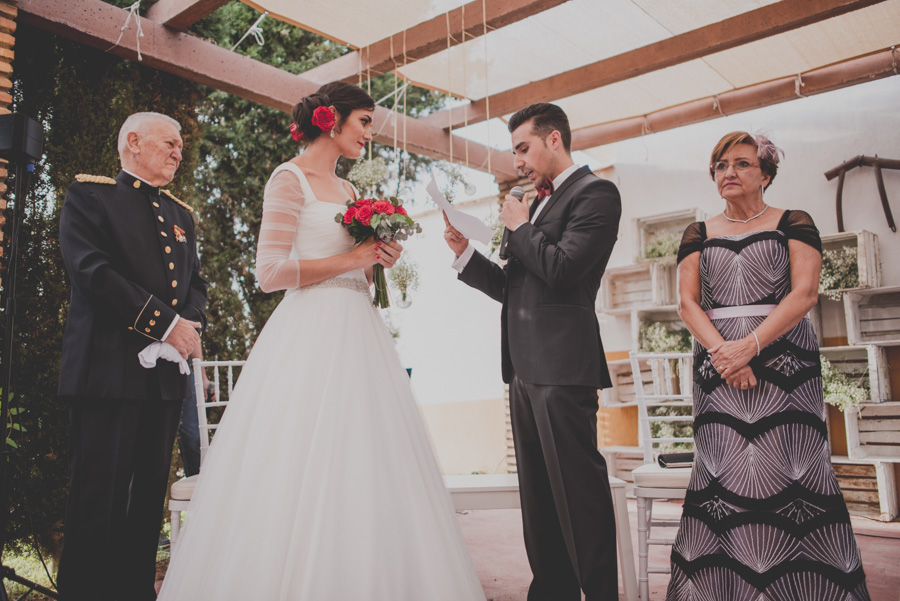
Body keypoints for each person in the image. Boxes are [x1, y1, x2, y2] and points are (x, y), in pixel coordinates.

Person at [158, 81, 486, 600]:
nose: (368, 135)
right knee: (298, 464)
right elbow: (269, 273)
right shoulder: (289, 180)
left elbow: (353, 268)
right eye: (364, 123)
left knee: (370, 461)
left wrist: (378, 259)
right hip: (308, 338)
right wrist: (355, 258)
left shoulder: (354, 193)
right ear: (331, 119)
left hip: (361, 335)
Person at [670, 131, 870, 600]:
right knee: (723, 471)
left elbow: (803, 294)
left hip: (785, 366)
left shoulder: (793, 221)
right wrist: (727, 353)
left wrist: (750, 346)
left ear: (766, 174)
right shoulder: (697, 233)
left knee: (793, 470)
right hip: (718, 370)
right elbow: (686, 304)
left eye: (741, 164)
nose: (729, 173)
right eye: (720, 166)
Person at [444, 103, 621, 601]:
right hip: (522, 367)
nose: (517, 161)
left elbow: (563, 270)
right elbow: (515, 287)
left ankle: (601, 594)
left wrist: (521, 228)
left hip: (564, 366)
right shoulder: (530, 203)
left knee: (579, 494)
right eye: (514, 151)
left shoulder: (597, 194)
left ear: (555, 140)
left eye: (523, 148)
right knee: (539, 499)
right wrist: (464, 254)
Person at [57, 112, 208, 601]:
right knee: (96, 504)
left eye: (181, 145)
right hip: (106, 375)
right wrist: (165, 325)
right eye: (170, 142)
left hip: (162, 384)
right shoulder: (90, 196)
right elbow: (92, 272)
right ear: (133, 142)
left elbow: (196, 288)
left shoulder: (182, 216)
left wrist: (188, 326)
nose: (178, 151)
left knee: (145, 509)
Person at [178, 340, 213, 478]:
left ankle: (198, 486)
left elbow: (193, 333)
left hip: (181, 366)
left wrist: (202, 377)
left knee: (193, 435)